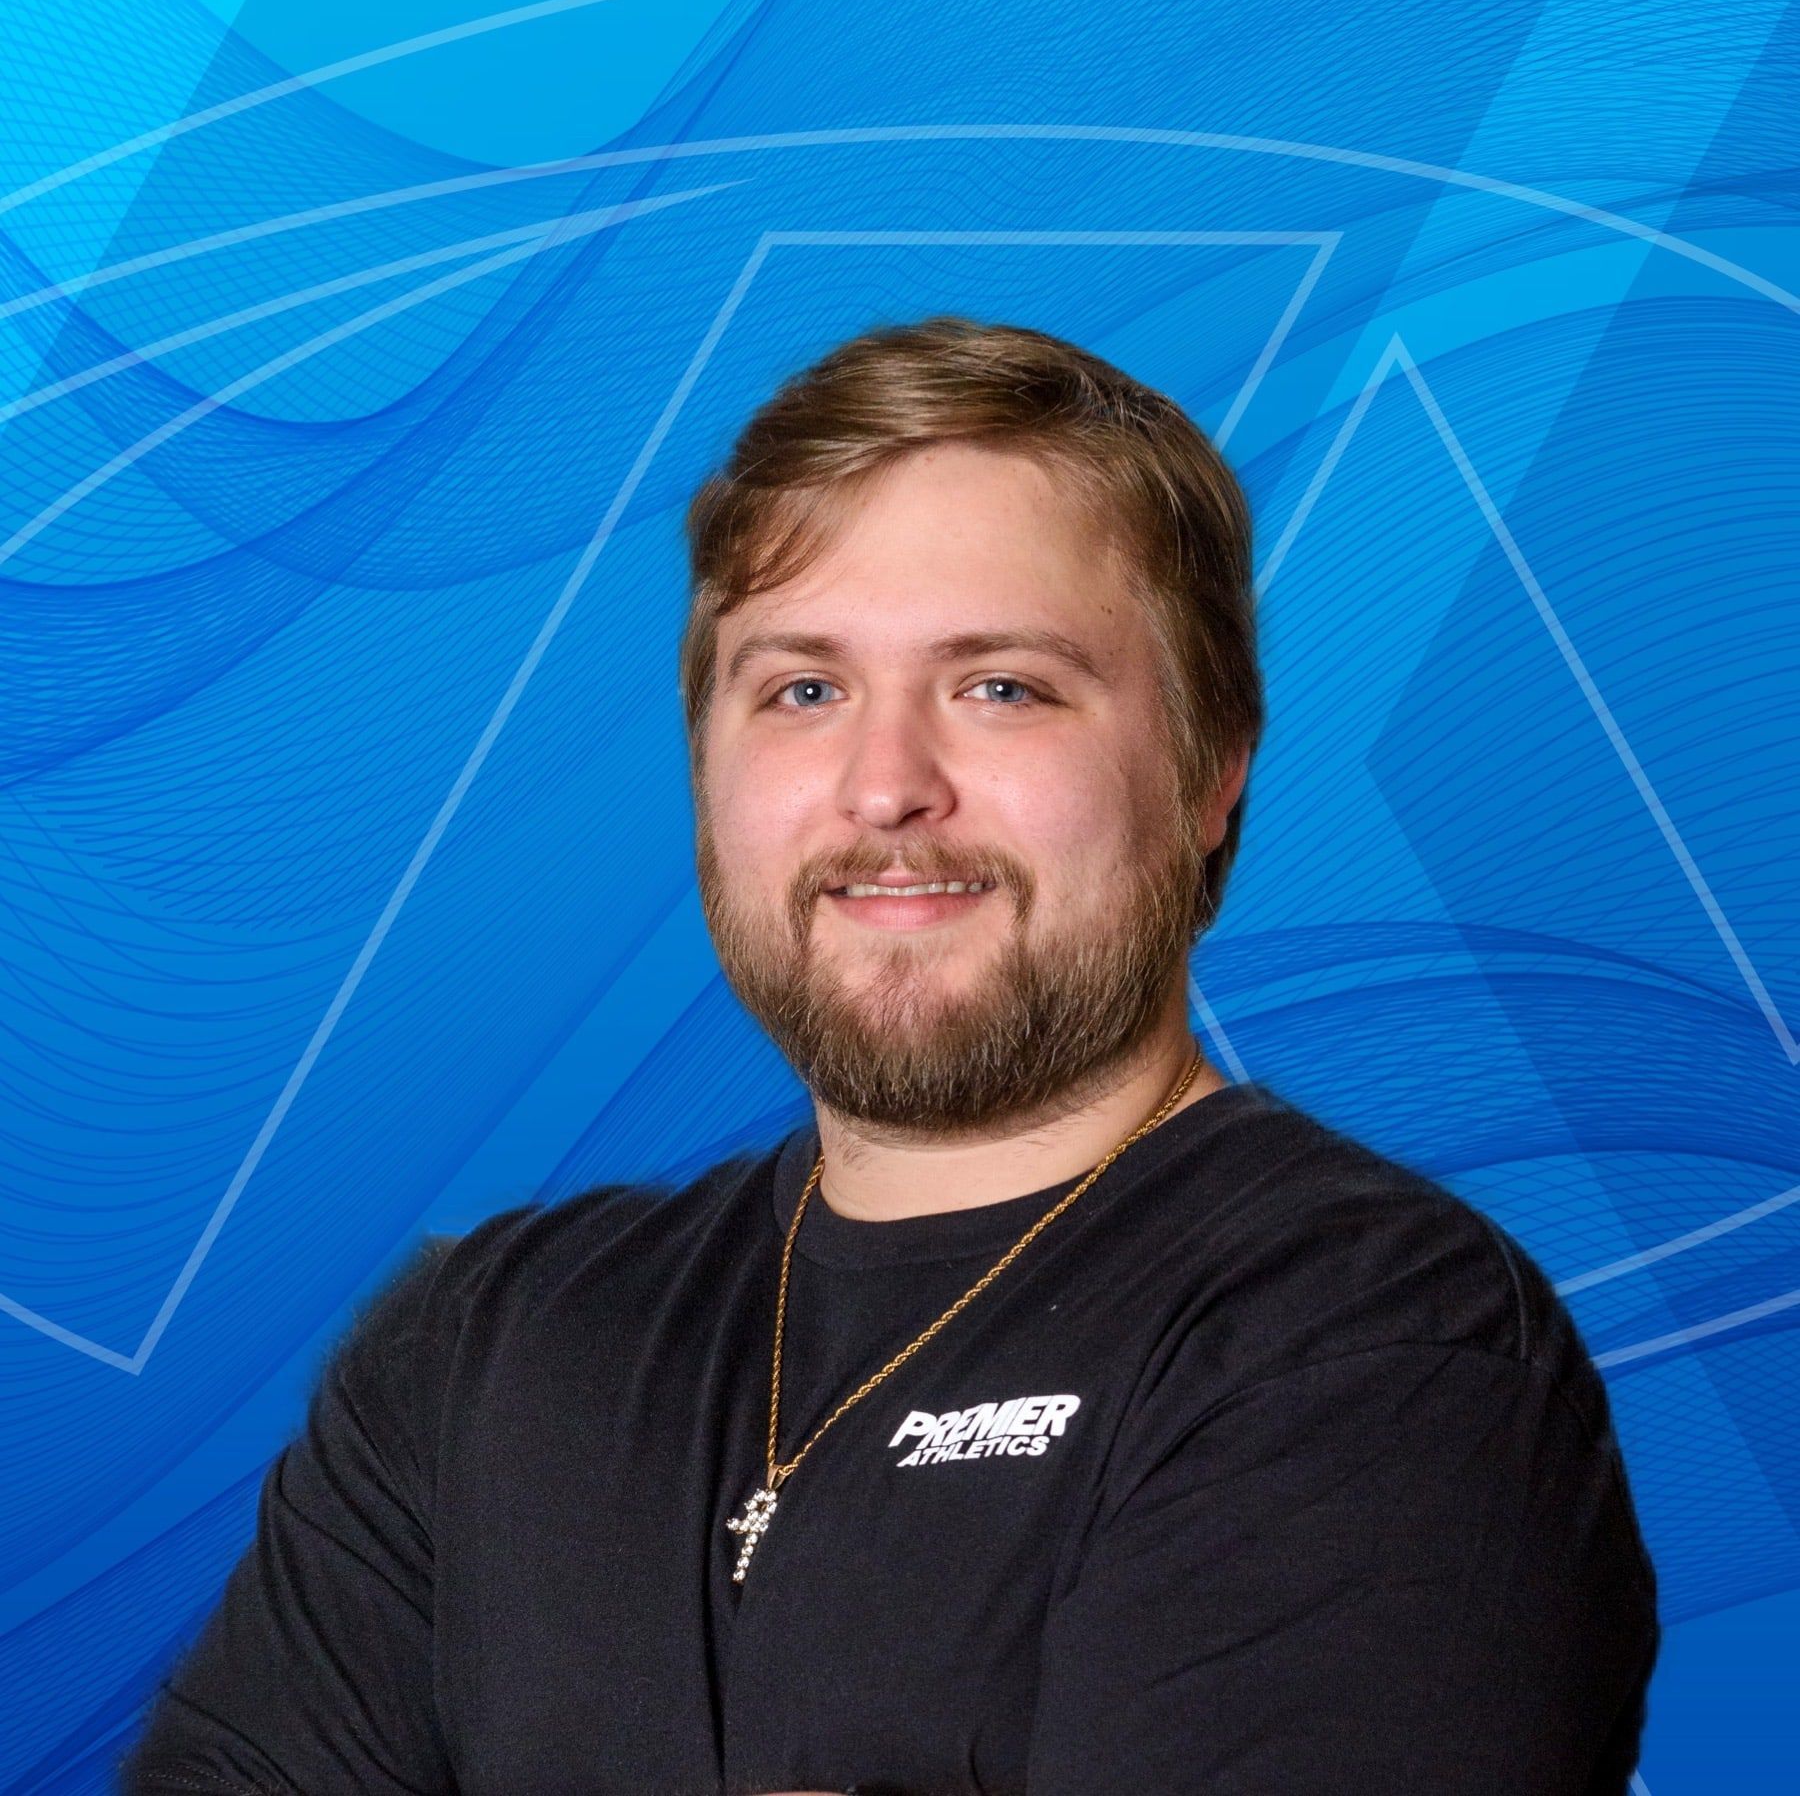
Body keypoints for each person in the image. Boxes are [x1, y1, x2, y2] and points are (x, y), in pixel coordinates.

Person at [120, 316, 1658, 1795]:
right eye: (803, 689)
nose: (885, 786)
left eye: (1002, 686)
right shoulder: (481, 1349)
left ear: (1207, 771)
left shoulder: (1368, 1346)